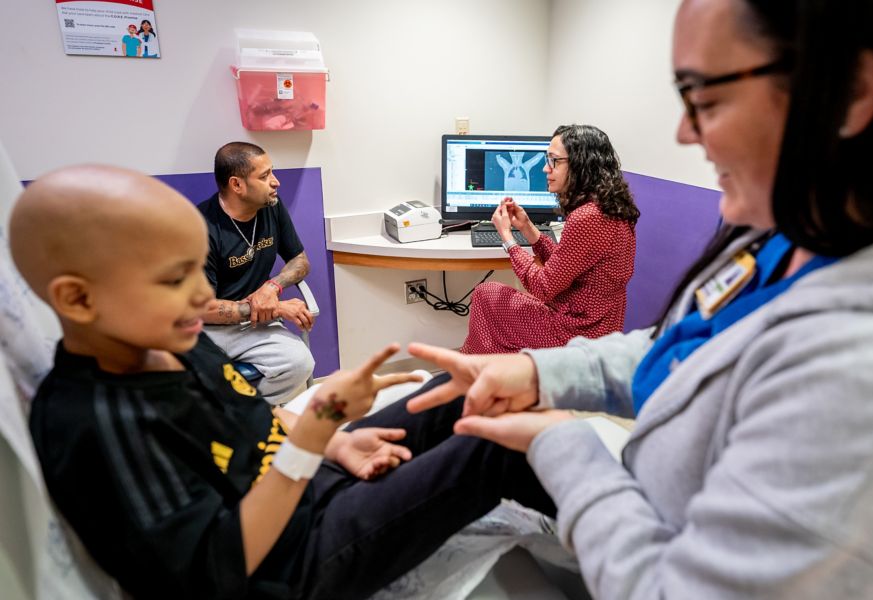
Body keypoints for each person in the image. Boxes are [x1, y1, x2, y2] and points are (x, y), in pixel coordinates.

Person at [407, 0, 873, 597]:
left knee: (487, 315)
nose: (684, 132)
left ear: (849, 94)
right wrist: (540, 370)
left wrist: (558, 438)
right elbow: (679, 343)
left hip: (642, 536)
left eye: (704, 98)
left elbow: (546, 286)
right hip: (619, 433)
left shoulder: (863, 364)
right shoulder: (773, 242)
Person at [11, 165, 556, 600]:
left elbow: (253, 415)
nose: (204, 297)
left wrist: (339, 440)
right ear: (78, 299)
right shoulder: (94, 422)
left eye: (198, 271)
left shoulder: (171, 340)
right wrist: (319, 429)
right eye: (175, 281)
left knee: (463, 389)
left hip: (307, 481)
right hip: (293, 561)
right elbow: (215, 571)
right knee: (500, 449)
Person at [460, 125, 639, 354]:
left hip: (576, 333)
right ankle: (499, 371)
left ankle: (474, 369)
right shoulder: (609, 209)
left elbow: (543, 288)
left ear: (581, 164)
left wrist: (507, 238)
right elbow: (564, 267)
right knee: (492, 298)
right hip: (599, 326)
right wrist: (526, 227)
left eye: (554, 161)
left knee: (486, 294)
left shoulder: (586, 217)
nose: (545, 168)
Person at [199, 142, 315, 404]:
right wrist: (274, 309)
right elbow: (201, 309)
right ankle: (234, 416)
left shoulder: (271, 206)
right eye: (264, 176)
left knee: (299, 363)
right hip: (207, 331)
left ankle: (246, 414)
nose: (276, 182)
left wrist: (272, 287)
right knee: (192, 382)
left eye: (272, 172)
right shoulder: (200, 228)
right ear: (237, 185)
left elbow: (300, 260)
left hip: (254, 328)